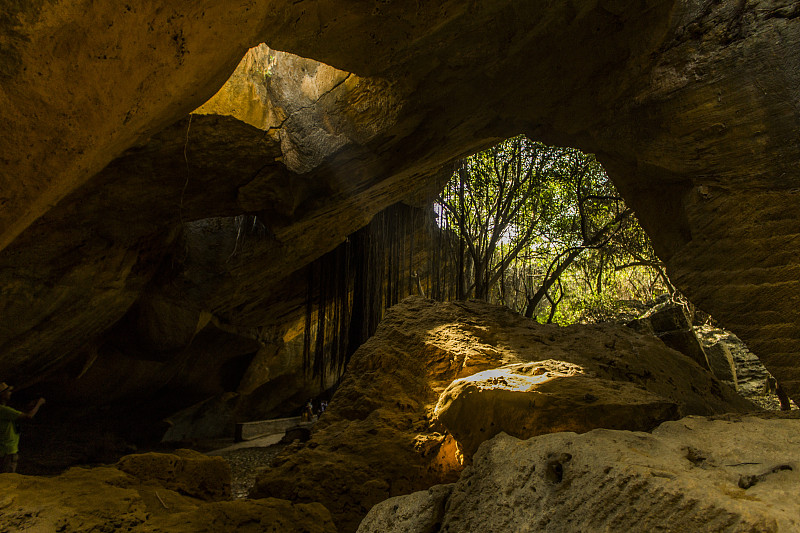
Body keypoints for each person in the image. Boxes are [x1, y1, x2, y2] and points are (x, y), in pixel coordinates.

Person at [0, 382, 45, 473]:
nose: (10, 393)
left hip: (4, 450)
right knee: (7, 479)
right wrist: (38, 404)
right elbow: (28, 417)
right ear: (2, 394)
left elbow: (16, 415)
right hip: (7, 451)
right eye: (8, 391)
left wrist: (29, 406)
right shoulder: (3, 410)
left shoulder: (4, 410)